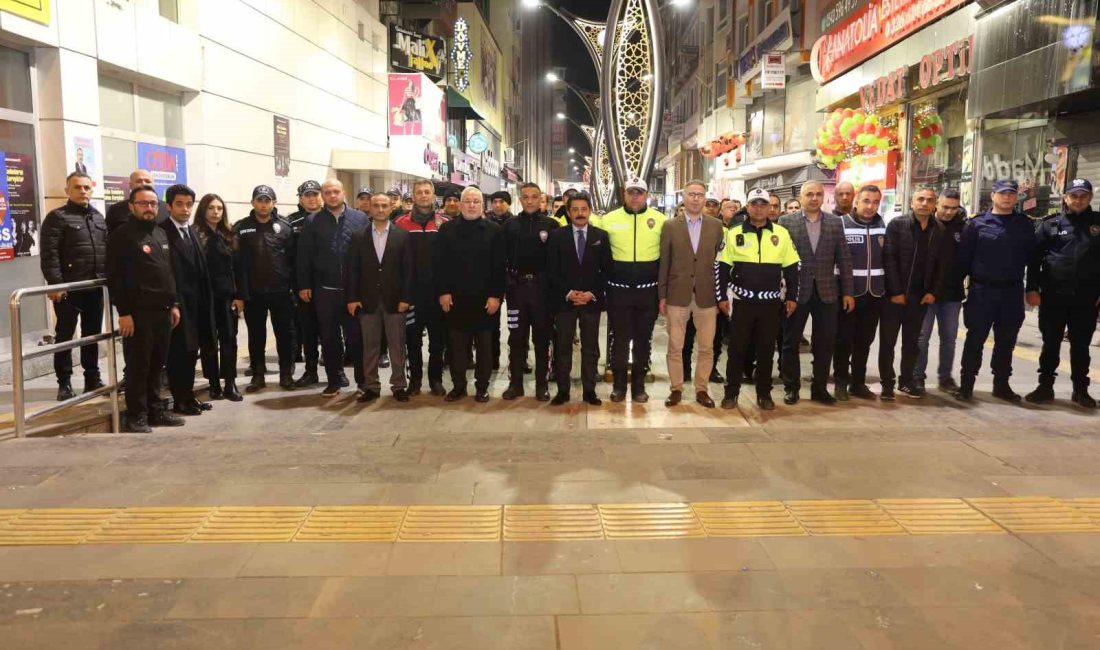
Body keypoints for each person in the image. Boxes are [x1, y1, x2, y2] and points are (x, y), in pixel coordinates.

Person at [105, 185, 183, 433]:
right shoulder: (121, 236)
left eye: (152, 204)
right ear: (131, 206)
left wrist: (174, 304)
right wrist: (124, 313)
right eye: (143, 203)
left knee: (157, 365)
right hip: (137, 314)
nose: (149, 208)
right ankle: (137, 415)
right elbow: (115, 278)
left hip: (163, 311)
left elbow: (168, 272)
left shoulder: (160, 233)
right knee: (139, 365)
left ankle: (155, 410)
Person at [954, 179, 1037, 403]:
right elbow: (963, 260)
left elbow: (1034, 260)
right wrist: (955, 290)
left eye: (1011, 194)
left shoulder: (1025, 225)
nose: (1007, 197)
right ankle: (966, 385)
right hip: (982, 291)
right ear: (993, 196)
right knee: (975, 339)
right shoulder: (976, 224)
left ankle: (1001, 385)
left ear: (1016, 197)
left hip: (1011, 292)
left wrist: (1033, 289)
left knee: (1006, 341)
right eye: (1002, 193)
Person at [719, 188, 800, 411]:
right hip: (742, 302)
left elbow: (792, 267)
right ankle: (731, 393)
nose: (759, 207)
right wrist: (721, 297)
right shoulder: (734, 233)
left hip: (770, 304)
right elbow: (723, 267)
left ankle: (764, 394)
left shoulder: (781, 234)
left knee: (766, 350)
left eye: (763, 204)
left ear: (769, 207)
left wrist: (792, 296)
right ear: (748, 206)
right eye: (754, 203)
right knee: (737, 350)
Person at [1024, 178, 1100, 407]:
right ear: (1065, 197)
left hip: (1086, 298)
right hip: (1053, 296)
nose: (1078, 200)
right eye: (1073, 196)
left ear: (1090, 198)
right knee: (1050, 344)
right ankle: (1045, 387)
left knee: (1081, 347)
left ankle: (1080, 390)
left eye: (1083, 196)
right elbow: (1034, 259)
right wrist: (1032, 289)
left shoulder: (1098, 223)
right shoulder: (1049, 224)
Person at [779, 181, 855, 404]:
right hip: (796, 292)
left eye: (818, 194)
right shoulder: (786, 222)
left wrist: (848, 292)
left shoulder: (834, 223)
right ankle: (791, 387)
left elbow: (844, 258)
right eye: (809, 194)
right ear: (801, 197)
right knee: (790, 342)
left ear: (824, 197)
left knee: (825, 343)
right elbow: (781, 259)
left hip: (827, 291)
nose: (814, 198)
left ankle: (819, 388)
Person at [40, 172, 108, 401]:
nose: (83, 191)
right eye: (78, 187)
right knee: (65, 336)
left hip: (95, 287)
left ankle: (92, 377)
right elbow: (49, 255)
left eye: (87, 187)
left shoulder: (99, 218)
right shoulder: (57, 217)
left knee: (92, 335)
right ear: (67, 190)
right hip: (69, 290)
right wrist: (56, 284)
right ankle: (65, 382)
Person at [434, 186, 506, 402]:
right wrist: (443, 292)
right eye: (468, 201)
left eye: (476, 201)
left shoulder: (494, 230)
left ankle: (482, 387)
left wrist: (496, 296)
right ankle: (458, 386)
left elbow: (499, 267)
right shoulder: (446, 231)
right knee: (457, 347)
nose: (472, 205)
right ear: (460, 204)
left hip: (485, 300)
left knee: (484, 347)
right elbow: (440, 265)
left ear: (482, 205)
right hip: (455, 300)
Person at [297, 179, 368, 396]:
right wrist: (304, 284)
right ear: (323, 196)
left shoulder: (360, 218)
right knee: (329, 339)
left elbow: (368, 254)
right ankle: (334, 381)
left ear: (344, 193)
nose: (332, 196)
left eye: (336, 191)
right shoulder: (313, 221)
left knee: (357, 338)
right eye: (327, 192)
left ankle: (363, 382)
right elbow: (305, 255)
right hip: (324, 291)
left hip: (353, 292)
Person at [659, 180, 725, 408]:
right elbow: (664, 263)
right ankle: (676, 388)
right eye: (691, 195)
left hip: (707, 296)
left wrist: (721, 295)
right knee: (675, 346)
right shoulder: (670, 226)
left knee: (707, 347)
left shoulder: (717, 226)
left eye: (700, 194)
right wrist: (662, 295)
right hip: (677, 294)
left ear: (705, 198)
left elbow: (721, 263)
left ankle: (701, 389)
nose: (696, 199)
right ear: (683, 198)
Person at [602, 178, 667, 402]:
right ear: (624, 194)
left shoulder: (660, 220)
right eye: (631, 192)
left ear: (646, 195)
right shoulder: (608, 220)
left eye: (640, 192)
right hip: (618, 292)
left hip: (647, 292)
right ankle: (619, 385)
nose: (635, 196)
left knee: (643, 340)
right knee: (619, 340)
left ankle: (639, 386)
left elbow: (667, 258)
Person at [880, 186, 947, 400]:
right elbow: (888, 259)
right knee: (888, 343)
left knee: (912, 343)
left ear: (935, 204)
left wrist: (933, 292)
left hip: (920, 298)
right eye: (920, 199)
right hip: (895, 298)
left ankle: (906, 381)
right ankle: (887, 384)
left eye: (929, 200)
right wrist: (895, 291)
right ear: (912, 202)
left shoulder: (938, 229)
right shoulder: (897, 225)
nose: (924, 203)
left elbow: (941, 265)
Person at [346, 193, 414, 403]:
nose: (381, 209)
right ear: (370, 209)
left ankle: (399, 385)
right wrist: (352, 297)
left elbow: (408, 271)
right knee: (370, 346)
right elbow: (352, 270)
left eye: (385, 205)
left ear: (391, 208)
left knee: (397, 345)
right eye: (376, 205)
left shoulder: (402, 236)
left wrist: (406, 297)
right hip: (367, 300)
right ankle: (371, 386)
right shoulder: (358, 236)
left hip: (395, 301)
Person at [546, 193, 611, 405]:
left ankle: (589, 391)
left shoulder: (601, 236)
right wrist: (568, 293)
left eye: (584, 209)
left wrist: (592, 293)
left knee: (590, 348)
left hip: (591, 302)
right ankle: (563, 390)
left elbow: (606, 270)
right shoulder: (557, 236)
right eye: (575, 209)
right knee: (563, 346)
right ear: (568, 212)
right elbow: (552, 270)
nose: (580, 213)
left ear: (590, 211)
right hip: (565, 302)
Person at [233, 185, 297, 392]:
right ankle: (258, 375)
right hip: (254, 293)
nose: (263, 204)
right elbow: (237, 264)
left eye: (267, 200)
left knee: (285, 335)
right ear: (253, 203)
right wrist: (240, 294)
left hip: (281, 292)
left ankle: (286, 374)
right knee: (256, 336)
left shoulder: (285, 227)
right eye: (259, 200)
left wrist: (293, 288)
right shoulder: (241, 228)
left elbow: (293, 260)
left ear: (274, 203)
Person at [159, 184, 215, 416]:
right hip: (178, 303)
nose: (185, 209)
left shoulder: (190, 231)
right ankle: (180, 399)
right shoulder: (162, 232)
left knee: (192, 352)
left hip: (197, 303)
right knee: (179, 354)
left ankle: (188, 395)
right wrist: (173, 302)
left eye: (189, 204)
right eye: (179, 204)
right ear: (169, 206)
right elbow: (164, 271)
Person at [501, 182, 560, 401]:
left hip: (542, 291)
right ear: (519, 199)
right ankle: (515, 384)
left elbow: (557, 261)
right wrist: (506, 285)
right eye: (525, 197)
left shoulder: (552, 225)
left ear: (540, 198)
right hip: (517, 291)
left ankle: (542, 385)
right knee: (516, 338)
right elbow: (501, 258)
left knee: (542, 339)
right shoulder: (510, 225)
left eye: (534, 197)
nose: (529, 201)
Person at [394, 179, 451, 396]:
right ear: (414, 195)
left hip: (438, 295)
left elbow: (449, 260)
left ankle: (435, 380)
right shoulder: (400, 224)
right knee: (412, 341)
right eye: (420, 192)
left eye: (427, 192)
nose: (424, 195)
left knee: (437, 341)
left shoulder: (444, 223)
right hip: (411, 295)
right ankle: (415, 381)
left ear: (433, 195)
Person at [833, 185, 887, 401]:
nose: (870, 206)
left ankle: (857, 382)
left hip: (874, 294)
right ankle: (840, 382)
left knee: (864, 342)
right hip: (847, 294)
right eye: (866, 201)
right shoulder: (841, 224)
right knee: (843, 341)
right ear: (856, 201)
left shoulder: (883, 226)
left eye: (875, 202)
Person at [915, 189, 966, 393]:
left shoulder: (963, 228)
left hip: (952, 295)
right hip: (926, 294)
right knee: (921, 337)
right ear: (937, 204)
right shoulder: (926, 225)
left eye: (954, 208)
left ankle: (945, 378)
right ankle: (917, 376)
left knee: (949, 338)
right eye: (945, 207)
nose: (948, 212)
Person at [193, 193, 242, 402]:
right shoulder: (195, 235)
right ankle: (213, 384)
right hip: (205, 297)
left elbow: (239, 269)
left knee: (229, 340)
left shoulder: (229, 235)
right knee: (209, 341)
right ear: (203, 210)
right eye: (211, 208)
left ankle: (230, 383)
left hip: (227, 297)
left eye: (219, 208)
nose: (215, 212)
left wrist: (240, 296)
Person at [287, 181, 323, 388]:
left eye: (315, 194)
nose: (312, 198)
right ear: (300, 198)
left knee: (330, 331)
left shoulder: (331, 218)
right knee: (307, 331)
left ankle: (335, 371)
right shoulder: (290, 222)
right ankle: (310, 371)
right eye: (307, 195)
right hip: (302, 286)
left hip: (327, 284)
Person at [105, 169, 168, 235]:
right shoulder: (116, 209)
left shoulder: (166, 208)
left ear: (153, 184)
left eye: (147, 181)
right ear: (130, 184)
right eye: (139, 181)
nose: (143, 184)